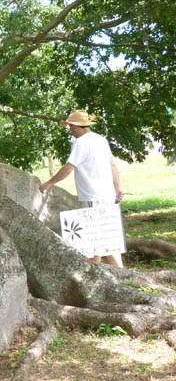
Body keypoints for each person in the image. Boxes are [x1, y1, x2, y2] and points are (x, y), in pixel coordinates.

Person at [39, 109, 125, 267]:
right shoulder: (101, 140)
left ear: (78, 126)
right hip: (107, 196)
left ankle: (119, 274)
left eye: (71, 126)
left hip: (93, 197)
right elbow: (112, 164)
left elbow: (68, 168)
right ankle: (105, 273)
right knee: (101, 240)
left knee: (98, 239)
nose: (70, 129)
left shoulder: (81, 143)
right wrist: (117, 188)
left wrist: (48, 183)